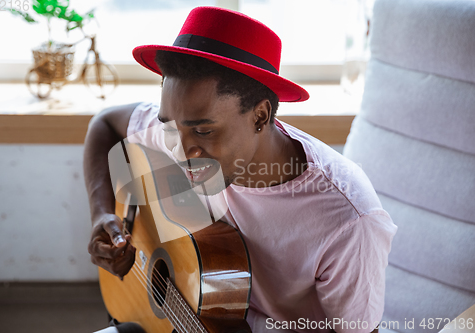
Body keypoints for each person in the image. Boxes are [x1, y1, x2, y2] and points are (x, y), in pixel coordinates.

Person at [84, 6, 397, 333]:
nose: (178, 151)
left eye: (204, 132)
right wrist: (102, 215)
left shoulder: (348, 222)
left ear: (260, 117)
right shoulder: (183, 130)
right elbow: (104, 124)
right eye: (169, 128)